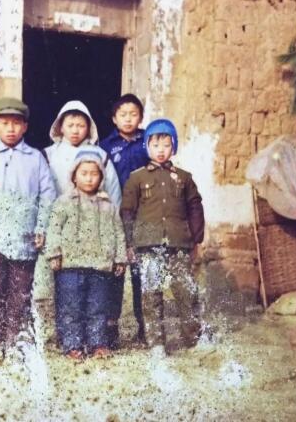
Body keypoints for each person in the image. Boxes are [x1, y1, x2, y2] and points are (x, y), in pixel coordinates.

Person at [0, 97, 57, 354]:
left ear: (25, 127)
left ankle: (15, 342)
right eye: (5, 123)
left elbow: (48, 196)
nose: (11, 129)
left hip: (24, 241)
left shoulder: (36, 159)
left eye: (16, 123)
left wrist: (41, 229)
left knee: (20, 294)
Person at [121, 119, 205, 356]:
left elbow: (195, 208)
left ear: (174, 147)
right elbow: (127, 212)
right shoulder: (137, 178)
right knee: (151, 293)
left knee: (186, 290)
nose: (160, 150)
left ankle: (192, 338)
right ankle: (156, 342)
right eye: (155, 145)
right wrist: (130, 242)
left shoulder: (184, 178)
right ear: (146, 147)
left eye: (166, 145)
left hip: (178, 242)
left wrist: (196, 239)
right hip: (148, 244)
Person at [45, 150, 127, 360]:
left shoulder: (108, 206)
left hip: (100, 266)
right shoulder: (64, 202)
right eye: (84, 173)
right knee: (70, 307)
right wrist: (54, 254)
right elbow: (54, 229)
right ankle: (72, 345)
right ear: (74, 176)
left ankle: (97, 343)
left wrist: (119, 258)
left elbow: (118, 233)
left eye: (94, 174)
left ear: (101, 178)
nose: (89, 178)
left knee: (98, 307)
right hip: (70, 266)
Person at [99, 93, 150, 349]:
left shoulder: (148, 142)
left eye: (133, 114)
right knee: (114, 271)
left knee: (141, 272)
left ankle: (144, 327)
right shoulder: (106, 146)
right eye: (123, 115)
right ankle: (110, 330)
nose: (128, 119)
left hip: (142, 216)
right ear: (114, 119)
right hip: (115, 215)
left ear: (140, 117)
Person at [43, 100, 122, 206]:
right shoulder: (48, 155)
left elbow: (113, 190)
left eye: (81, 126)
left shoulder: (100, 155)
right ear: (60, 127)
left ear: (89, 128)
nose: (75, 131)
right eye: (70, 125)